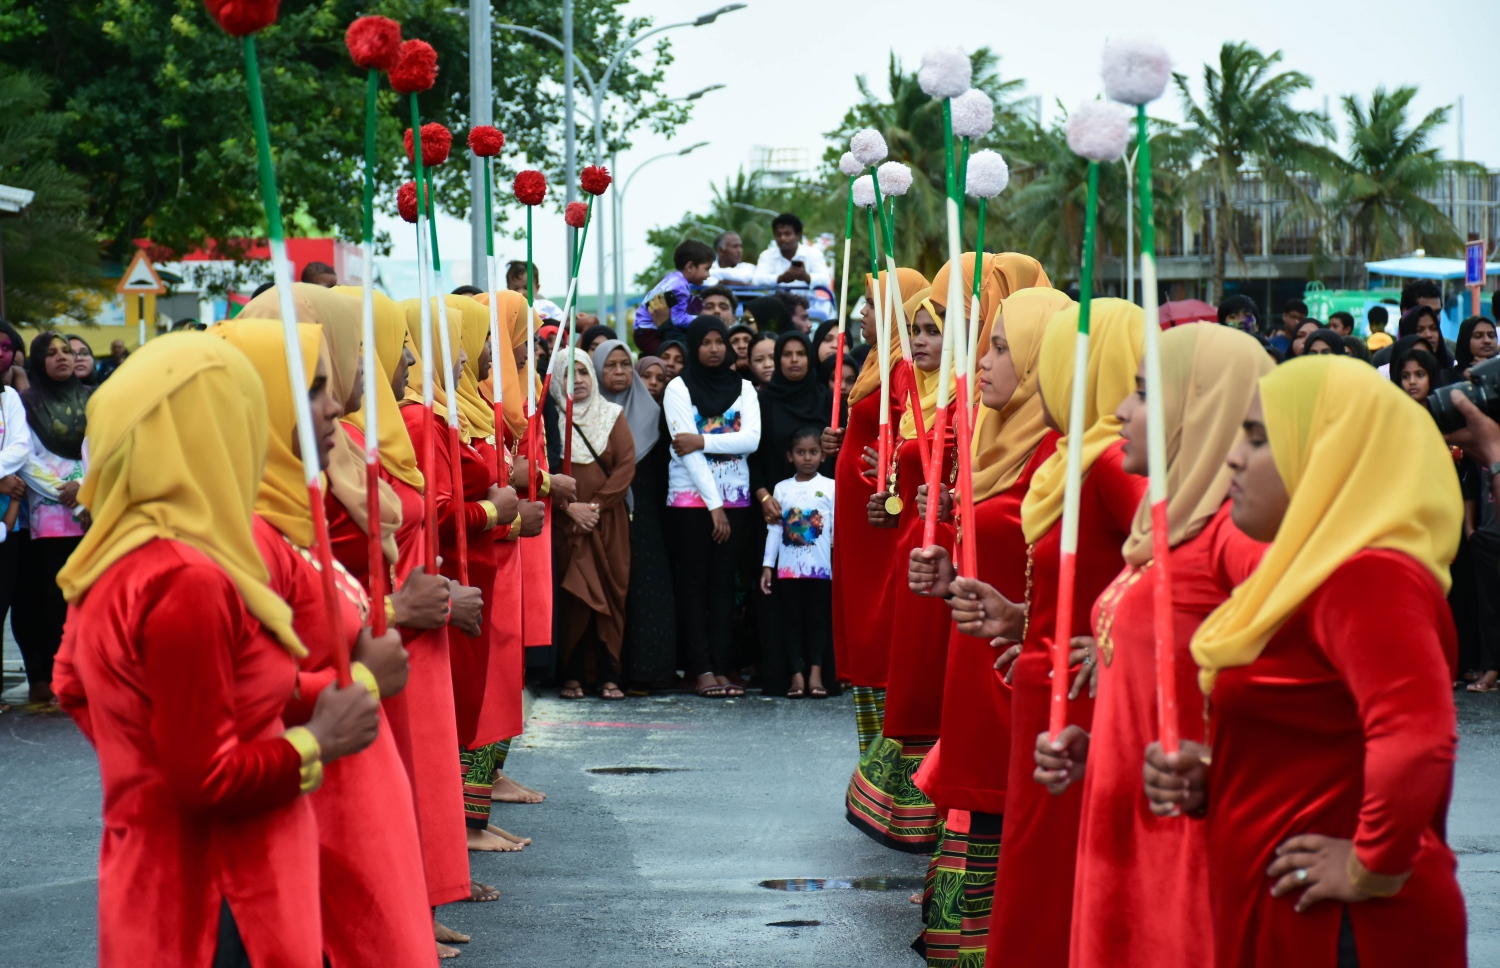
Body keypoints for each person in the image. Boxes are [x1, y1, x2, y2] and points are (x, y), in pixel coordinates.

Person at [51, 333, 381, 968]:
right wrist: (318, 741)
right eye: (246, 414)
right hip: (223, 902)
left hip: (155, 878)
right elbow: (204, 777)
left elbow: (75, 685)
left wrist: (141, 762)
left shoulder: (116, 555)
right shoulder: (188, 580)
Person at [1146, 356, 1467, 968]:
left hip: (1344, 933)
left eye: (1260, 438)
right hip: (1286, 912)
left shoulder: (1370, 575)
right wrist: (1212, 774)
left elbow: (1417, 735)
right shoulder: (1307, 575)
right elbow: (1315, 738)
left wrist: (1371, 865)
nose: (1234, 457)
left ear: (1327, 453)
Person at [1027, 324, 1271, 968]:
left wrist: (1218, 771)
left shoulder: (1235, 544)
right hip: (1126, 828)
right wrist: (1101, 750)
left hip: (1185, 849)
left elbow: (1311, 711)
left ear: (1199, 409)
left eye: (1142, 394)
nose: (1119, 412)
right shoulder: (1165, 534)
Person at [217, 315, 434, 968]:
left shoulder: (287, 518)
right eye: (314, 386)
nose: (338, 398)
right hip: (301, 797)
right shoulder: (244, 538)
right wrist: (370, 668)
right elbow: (244, 700)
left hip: (344, 783)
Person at [949, 299, 1147, 968]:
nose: (986, 359)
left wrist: (1118, 627)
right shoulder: (1070, 457)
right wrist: (1013, 614)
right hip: (1049, 694)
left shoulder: (1113, 462)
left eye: (1008, 348)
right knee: (1040, 880)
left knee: (1058, 883)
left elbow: (1188, 559)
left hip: (1083, 705)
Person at [907, 283, 1069, 964]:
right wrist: (949, 576)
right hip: (978, 665)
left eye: (1001, 347)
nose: (984, 359)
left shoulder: (1059, 458)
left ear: (1042, 362)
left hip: (1022, 676)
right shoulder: (993, 434)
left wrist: (1023, 620)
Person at [330, 289, 475, 926]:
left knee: (418, 772)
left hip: (403, 626)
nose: (411, 360)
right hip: (378, 636)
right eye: (397, 345)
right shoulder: (346, 449)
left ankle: (415, 898)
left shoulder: (377, 432)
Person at [848, 286, 954, 852]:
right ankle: (934, 833)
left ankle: (947, 832)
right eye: (914, 329)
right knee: (912, 682)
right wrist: (883, 492)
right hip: (911, 546)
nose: (919, 340)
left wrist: (952, 506)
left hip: (945, 562)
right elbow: (907, 480)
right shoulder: (917, 389)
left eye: (933, 329)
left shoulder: (965, 400)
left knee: (934, 690)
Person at [821, 266, 928, 758]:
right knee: (864, 625)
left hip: (881, 519)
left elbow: (914, 436)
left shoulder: (904, 365)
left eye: (869, 304)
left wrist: (883, 470)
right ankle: (874, 758)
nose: (862, 312)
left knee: (880, 627)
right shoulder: (874, 359)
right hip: (861, 522)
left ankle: (892, 757)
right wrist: (845, 442)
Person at [663, 315, 761, 698]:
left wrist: (702, 441)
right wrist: (713, 506)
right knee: (693, 586)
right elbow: (683, 452)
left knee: (723, 586)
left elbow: (751, 439)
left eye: (720, 341)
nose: (715, 348)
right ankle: (700, 669)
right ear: (694, 345)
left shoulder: (745, 387)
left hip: (736, 500)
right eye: (706, 342)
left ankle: (722, 667)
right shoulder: (677, 387)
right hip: (690, 502)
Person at [547, 345, 636, 699]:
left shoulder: (611, 414)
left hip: (607, 523)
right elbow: (545, 470)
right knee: (575, 596)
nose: (578, 381)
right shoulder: (547, 420)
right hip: (567, 523)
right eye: (569, 373)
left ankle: (609, 673)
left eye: (583, 372)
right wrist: (571, 509)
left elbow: (625, 466)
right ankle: (573, 674)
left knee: (612, 594)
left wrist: (594, 507)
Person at [750, 331, 833, 695]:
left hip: (821, 521)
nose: (795, 360)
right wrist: (764, 495)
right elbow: (752, 455)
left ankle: (820, 674)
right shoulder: (764, 402)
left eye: (802, 353)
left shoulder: (828, 399)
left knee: (818, 609)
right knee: (782, 607)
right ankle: (786, 675)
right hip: (774, 512)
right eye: (787, 354)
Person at [594, 340, 674, 691]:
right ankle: (608, 671)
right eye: (610, 365)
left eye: (625, 364)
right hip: (603, 515)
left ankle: (649, 671)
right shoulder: (586, 414)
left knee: (647, 590)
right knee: (608, 588)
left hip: (647, 518)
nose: (619, 372)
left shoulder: (656, 414)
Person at [16, 331, 90, 704]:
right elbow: (26, 460)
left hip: (94, 514)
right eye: (51, 353)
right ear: (37, 361)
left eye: (66, 352)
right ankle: (59, 675)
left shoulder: (93, 400)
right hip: (50, 519)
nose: (62, 358)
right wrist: (70, 496)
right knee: (54, 600)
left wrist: (88, 490)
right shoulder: (27, 404)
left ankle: (90, 672)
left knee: (91, 598)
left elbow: (104, 449)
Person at [760, 426, 835, 697]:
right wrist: (768, 565)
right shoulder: (781, 488)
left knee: (818, 621)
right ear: (790, 456)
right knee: (790, 622)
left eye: (813, 452)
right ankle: (796, 676)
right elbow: (776, 529)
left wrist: (837, 562)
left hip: (821, 570)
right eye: (800, 452)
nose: (807, 458)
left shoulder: (830, 487)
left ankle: (817, 674)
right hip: (789, 571)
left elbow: (836, 528)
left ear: (823, 455)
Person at [634, 239, 715, 355]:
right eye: (706, 269)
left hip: (643, 330)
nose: (708, 274)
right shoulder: (679, 287)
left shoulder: (674, 279)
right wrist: (702, 320)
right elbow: (678, 319)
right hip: (649, 332)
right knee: (668, 357)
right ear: (690, 266)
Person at [752, 213, 832, 288]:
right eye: (778, 234)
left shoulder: (813, 254)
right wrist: (781, 278)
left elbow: (826, 280)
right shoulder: (767, 255)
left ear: (798, 236)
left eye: (787, 234)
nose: (782, 238)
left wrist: (806, 277)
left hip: (807, 302)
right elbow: (757, 280)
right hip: (777, 302)